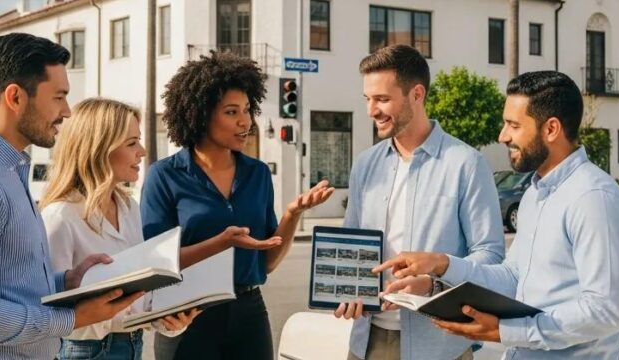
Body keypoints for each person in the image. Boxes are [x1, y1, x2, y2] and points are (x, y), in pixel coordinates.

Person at [378, 71, 619, 359]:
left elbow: (604, 311)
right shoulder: (535, 194)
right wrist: (441, 265)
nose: (503, 136)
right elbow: (513, 277)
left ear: (551, 129)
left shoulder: (594, 199)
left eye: (513, 125)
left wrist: (507, 331)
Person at [0, 33, 141, 359]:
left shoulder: (6, 171)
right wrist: (73, 318)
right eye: (58, 97)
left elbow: (10, 286)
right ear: (16, 97)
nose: (67, 112)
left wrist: (66, 281)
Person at [141, 51, 334, 360]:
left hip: (248, 312)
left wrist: (291, 214)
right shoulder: (164, 176)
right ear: (201, 114)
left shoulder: (257, 173)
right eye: (232, 112)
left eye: (247, 109)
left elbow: (266, 262)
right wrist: (220, 243)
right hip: (187, 313)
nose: (245, 121)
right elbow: (156, 265)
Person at [334, 44, 505, 360]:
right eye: (368, 99)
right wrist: (346, 289)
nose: (372, 110)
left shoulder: (466, 164)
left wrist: (432, 282)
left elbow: (491, 257)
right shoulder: (364, 164)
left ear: (416, 94)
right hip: (367, 342)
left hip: (440, 344)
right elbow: (351, 247)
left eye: (382, 99)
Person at [41, 98, 200, 360]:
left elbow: (140, 297)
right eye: (131, 143)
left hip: (132, 346)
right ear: (99, 149)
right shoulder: (60, 218)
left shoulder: (129, 209)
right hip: (84, 353)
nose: (143, 151)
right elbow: (48, 316)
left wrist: (167, 320)